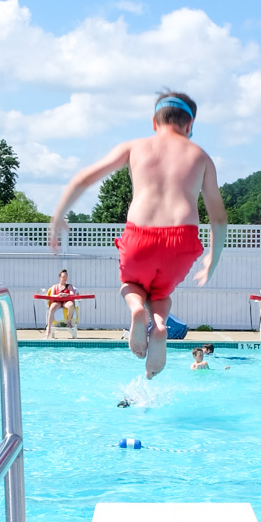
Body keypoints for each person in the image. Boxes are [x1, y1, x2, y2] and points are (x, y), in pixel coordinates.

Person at [49, 92, 227, 379]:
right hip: (181, 241)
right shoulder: (201, 156)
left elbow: (84, 178)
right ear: (190, 124)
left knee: (131, 284)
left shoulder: (135, 146)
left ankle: (136, 311)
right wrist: (213, 260)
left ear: (154, 122)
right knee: (161, 294)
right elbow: (218, 218)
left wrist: (58, 216)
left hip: (140, 236)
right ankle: (159, 325)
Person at [45, 269, 78, 338]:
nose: (65, 279)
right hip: (58, 301)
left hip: (66, 302)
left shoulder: (69, 286)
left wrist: (66, 295)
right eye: (63, 277)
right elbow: (51, 295)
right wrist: (58, 295)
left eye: (66, 277)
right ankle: (49, 328)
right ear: (60, 277)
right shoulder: (55, 286)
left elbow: (72, 294)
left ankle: (69, 321)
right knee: (52, 308)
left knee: (71, 305)